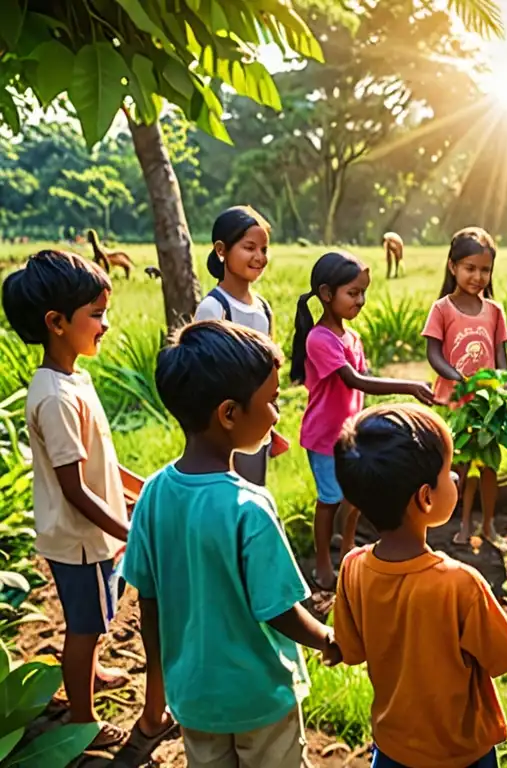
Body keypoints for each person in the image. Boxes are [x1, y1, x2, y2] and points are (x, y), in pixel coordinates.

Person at [122, 320, 341, 768]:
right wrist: (326, 639)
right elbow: (278, 608)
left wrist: (161, 679)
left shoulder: (153, 493)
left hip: (194, 695)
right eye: (272, 401)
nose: (278, 414)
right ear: (228, 413)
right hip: (258, 694)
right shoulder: (249, 506)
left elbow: (148, 600)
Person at [0, 250, 173, 751]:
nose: (104, 325)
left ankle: (91, 668)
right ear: (56, 323)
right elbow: (74, 487)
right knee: (84, 625)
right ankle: (82, 718)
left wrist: (142, 488)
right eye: (95, 315)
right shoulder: (54, 396)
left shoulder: (75, 379)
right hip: (79, 538)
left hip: (94, 532)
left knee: (95, 615)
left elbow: (99, 457)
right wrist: (130, 529)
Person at [331, 403, 507, 768]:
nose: (456, 478)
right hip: (461, 755)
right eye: (447, 471)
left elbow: (351, 650)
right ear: (425, 498)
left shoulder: (353, 568)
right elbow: (504, 657)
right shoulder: (459, 584)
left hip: (392, 749)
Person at [291, 251, 434, 590]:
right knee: (329, 499)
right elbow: (354, 380)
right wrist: (408, 387)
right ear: (327, 294)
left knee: (354, 497)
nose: (361, 301)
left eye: (363, 293)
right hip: (325, 436)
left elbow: (362, 388)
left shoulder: (351, 336)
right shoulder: (320, 339)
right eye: (352, 293)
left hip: (351, 435)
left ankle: (349, 549)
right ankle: (323, 563)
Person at [422, 227, 507, 547]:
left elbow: (500, 354)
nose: (477, 276)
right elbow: (433, 352)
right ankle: (461, 523)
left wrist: (502, 387)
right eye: (469, 268)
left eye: (484, 270)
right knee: (459, 463)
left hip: (487, 404)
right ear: (453, 267)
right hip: (454, 401)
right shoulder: (442, 309)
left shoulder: (494, 310)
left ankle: (488, 524)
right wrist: (456, 377)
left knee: (488, 464)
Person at [194, 205, 281, 485]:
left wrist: (271, 417)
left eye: (264, 250)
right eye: (249, 248)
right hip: (224, 428)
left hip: (257, 423)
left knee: (253, 492)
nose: (259, 257)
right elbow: (202, 378)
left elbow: (269, 371)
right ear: (222, 250)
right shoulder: (213, 308)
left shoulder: (263, 309)